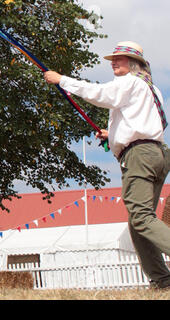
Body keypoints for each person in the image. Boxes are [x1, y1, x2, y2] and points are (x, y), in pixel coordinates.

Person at [44, 41, 170, 290]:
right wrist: (110, 135)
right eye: (113, 58)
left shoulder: (129, 82)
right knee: (138, 223)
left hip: (140, 155)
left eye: (119, 58)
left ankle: (161, 279)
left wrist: (62, 80)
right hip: (155, 153)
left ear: (134, 64)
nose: (113, 62)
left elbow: (101, 94)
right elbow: (139, 122)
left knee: (141, 218)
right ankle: (162, 281)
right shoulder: (151, 88)